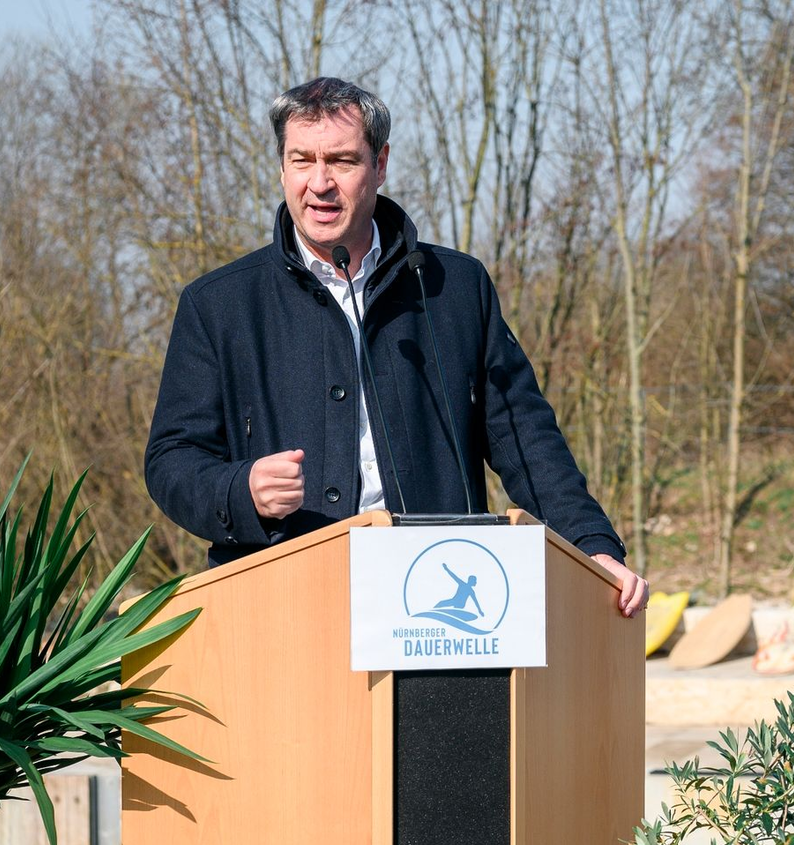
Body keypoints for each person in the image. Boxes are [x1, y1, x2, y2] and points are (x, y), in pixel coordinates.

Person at [145, 77, 648, 617]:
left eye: (341, 160)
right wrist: (238, 491)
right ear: (281, 167)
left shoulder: (457, 288)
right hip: (279, 604)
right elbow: (171, 460)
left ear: (380, 165)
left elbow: (524, 436)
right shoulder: (217, 304)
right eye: (301, 160)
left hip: (428, 606)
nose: (319, 183)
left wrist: (591, 544)